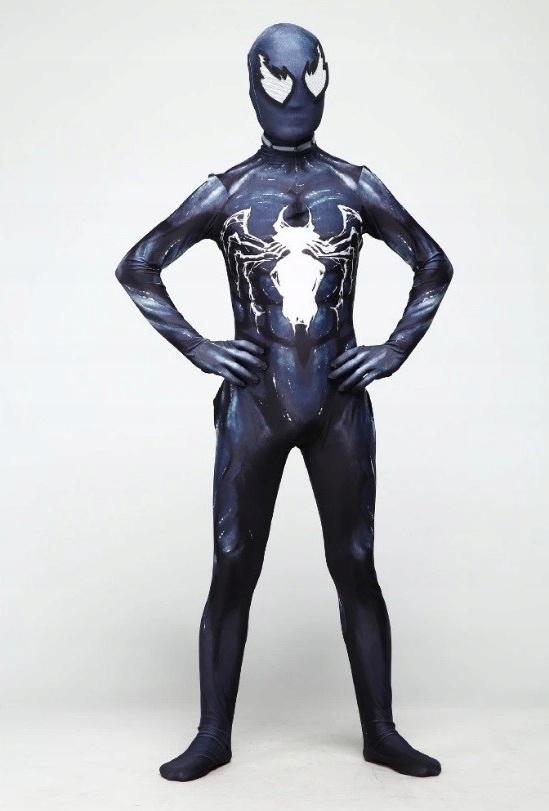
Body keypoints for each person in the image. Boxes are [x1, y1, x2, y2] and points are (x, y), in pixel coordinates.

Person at [115, 22, 453, 782]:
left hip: (337, 401)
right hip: (254, 404)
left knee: (355, 562)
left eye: (310, 76)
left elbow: (432, 265)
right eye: (278, 78)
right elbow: (138, 267)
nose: (296, 95)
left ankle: (380, 730)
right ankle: (212, 734)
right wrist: (199, 347)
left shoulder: (354, 186)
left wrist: (392, 349)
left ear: (328, 80)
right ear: (251, 87)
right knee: (233, 564)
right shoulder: (227, 192)